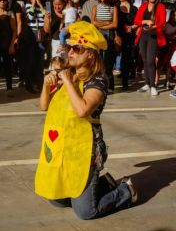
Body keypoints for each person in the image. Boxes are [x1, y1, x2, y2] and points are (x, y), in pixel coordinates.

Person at [35, 21, 137, 220]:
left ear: (90, 54)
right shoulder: (69, 75)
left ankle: (125, 191)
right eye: (69, 47)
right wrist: (46, 87)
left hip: (87, 149)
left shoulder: (98, 81)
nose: (70, 52)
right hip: (62, 146)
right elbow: (44, 106)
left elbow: (82, 110)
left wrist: (66, 81)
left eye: (76, 48)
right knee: (56, 199)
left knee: (85, 212)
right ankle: (102, 184)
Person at [134, 0, 166, 96]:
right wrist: (145, 22)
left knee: (151, 61)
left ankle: (153, 86)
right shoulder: (143, 6)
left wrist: (153, 26)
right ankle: (147, 84)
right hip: (143, 36)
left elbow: (163, 22)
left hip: (154, 36)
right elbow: (136, 21)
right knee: (144, 60)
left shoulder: (160, 6)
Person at [91, 0, 118, 92]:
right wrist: (107, 22)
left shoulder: (113, 7)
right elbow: (93, 23)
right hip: (98, 34)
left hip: (109, 35)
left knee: (108, 61)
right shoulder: (95, 7)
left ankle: (109, 85)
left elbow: (115, 24)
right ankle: (99, 84)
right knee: (98, 60)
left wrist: (100, 24)